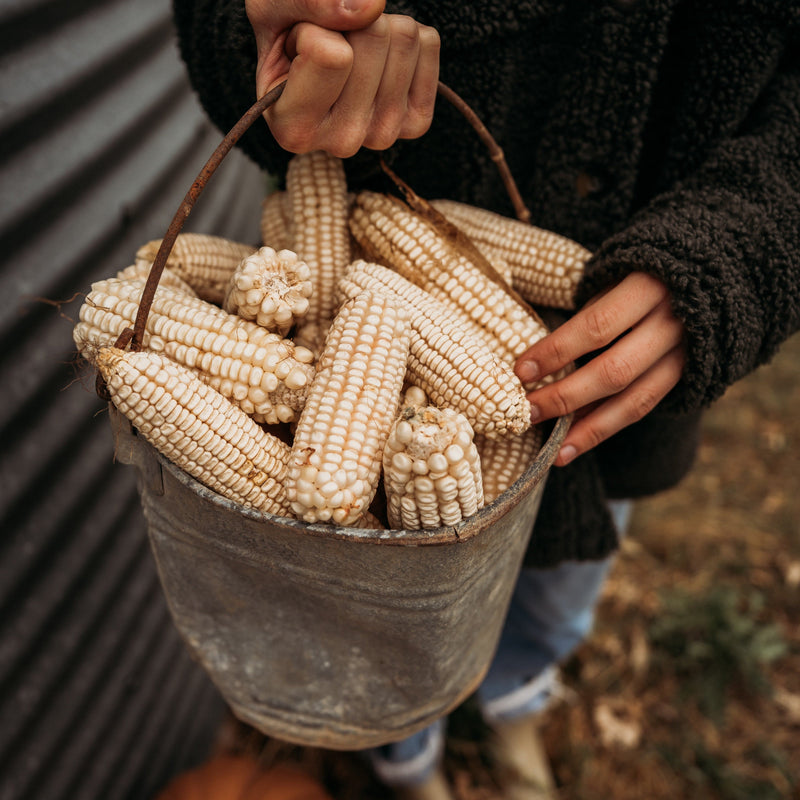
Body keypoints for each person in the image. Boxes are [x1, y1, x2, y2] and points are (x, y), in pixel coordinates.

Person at [171, 1, 800, 797]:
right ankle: (406, 751)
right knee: (395, 626)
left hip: (640, 363)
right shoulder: (364, 284)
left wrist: (746, 249)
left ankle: (517, 698)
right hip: (385, 194)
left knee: (559, 595)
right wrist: (267, 42)